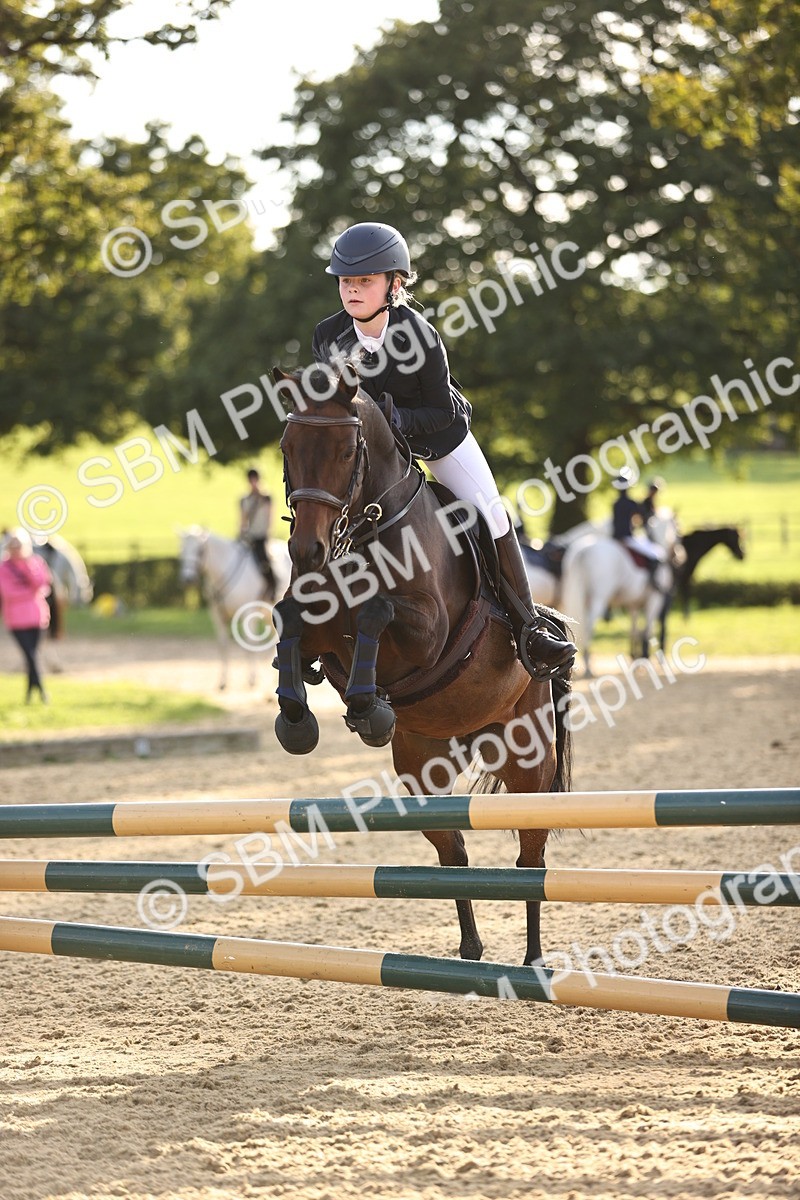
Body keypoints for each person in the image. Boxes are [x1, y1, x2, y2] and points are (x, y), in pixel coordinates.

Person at [311, 221, 576, 678]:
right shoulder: (328, 336)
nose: (352, 290)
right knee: (325, 511)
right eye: (346, 281)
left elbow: (443, 411)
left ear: (394, 285)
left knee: (492, 512)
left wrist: (395, 420)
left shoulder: (420, 334)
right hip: (378, 457)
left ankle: (529, 626)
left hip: (438, 440)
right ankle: (318, 623)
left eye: (364, 281)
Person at [0, 527, 53, 703]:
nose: (16, 549)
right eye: (13, 546)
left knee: (33, 655)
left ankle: (30, 693)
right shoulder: (4, 568)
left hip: (37, 617)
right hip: (16, 619)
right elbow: (9, 592)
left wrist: (28, 567)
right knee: (30, 655)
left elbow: (43, 583)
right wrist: (30, 592)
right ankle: (42, 690)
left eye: (19, 545)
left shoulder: (35, 562)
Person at [611, 471, 666, 584]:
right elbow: (644, 518)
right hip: (628, 538)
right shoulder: (632, 504)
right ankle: (653, 581)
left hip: (614, 538)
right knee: (656, 554)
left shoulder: (615, 504)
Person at [239, 468, 276, 596]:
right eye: (251, 480)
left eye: (255, 479)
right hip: (250, 536)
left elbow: (270, 517)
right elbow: (243, 519)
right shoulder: (245, 499)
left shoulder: (266, 498)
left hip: (262, 536)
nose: (253, 482)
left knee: (264, 561)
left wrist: (268, 534)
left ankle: (272, 585)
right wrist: (241, 533)